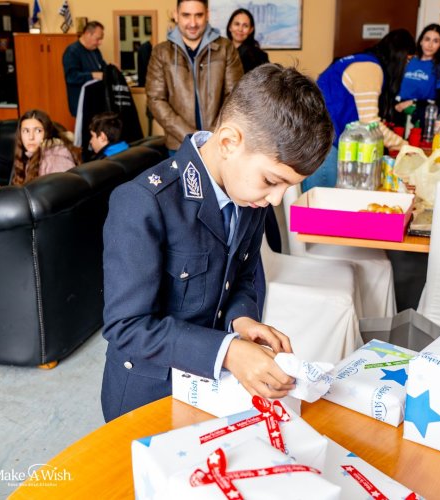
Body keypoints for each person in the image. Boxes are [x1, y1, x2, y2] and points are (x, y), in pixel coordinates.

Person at [100, 63, 334, 422]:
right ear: (228, 143)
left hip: (215, 391)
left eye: (287, 187)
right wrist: (228, 352)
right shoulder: (145, 202)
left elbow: (243, 276)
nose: (276, 200)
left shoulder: (248, 195)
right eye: (272, 181)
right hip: (149, 396)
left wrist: (242, 320)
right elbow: (126, 328)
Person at [302, 29, 416, 190]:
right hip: (323, 145)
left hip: (317, 139)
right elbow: (370, 124)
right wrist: (405, 146)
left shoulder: (362, 61)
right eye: (408, 60)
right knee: (322, 204)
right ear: (398, 56)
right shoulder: (369, 69)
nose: (406, 67)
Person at [146, 0, 244, 154]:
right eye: (186, 15)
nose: (192, 23)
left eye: (198, 15)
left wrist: (210, 137)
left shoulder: (226, 48)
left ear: (207, 15)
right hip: (179, 145)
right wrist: (191, 137)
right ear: (176, 15)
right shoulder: (161, 52)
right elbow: (156, 99)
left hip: (218, 143)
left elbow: (235, 96)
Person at [395, 24, 440, 124]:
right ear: (421, 41)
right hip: (397, 112)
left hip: (421, 116)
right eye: (427, 39)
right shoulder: (408, 60)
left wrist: (413, 102)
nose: (430, 45)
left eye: (435, 41)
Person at [11, 109, 81, 186]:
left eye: (38, 131)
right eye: (26, 131)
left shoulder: (55, 159)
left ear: (47, 133)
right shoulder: (30, 156)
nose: (31, 137)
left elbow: (68, 190)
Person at [63, 21, 107, 117]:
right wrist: (93, 75)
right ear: (87, 34)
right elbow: (71, 77)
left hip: (96, 104)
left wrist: (111, 69)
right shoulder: (72, 52)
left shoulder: (95, 51)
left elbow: (103, 67)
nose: (100, 43)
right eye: (98, 39)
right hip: (82, 106)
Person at [226, 8, 269, 73]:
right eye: (237, 24)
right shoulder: (221, 51)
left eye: (245, 26)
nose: (240, 29)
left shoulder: (260, 56)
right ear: (230, 27)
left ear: (251, 30)